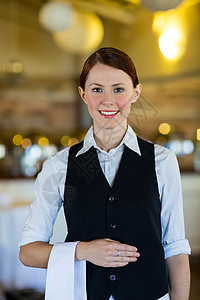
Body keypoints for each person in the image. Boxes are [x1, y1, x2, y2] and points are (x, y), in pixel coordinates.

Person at [19, 47, 191, 300]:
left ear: (136, 93)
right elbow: (28, 252)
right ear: (83, 94)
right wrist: (83, 251)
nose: (107, 100)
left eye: (119, 89)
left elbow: (175, 247)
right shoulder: (58, 166)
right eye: (97, 89)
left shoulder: (162, 161)